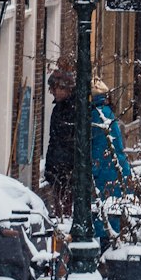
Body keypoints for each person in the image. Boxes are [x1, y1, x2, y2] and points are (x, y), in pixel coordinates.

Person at [91, 78, 131, 218]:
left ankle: (105, 237)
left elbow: (97, 148)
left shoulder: (95, 115)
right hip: (116, 167)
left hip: (104, 171)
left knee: (104, 212)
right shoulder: (107, 112)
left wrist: (92, 170)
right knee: (114, 209)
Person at [43, 66, 76, 216]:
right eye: (52, 89)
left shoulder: (73, 109)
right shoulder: (58, 109)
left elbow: (66, 140)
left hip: (67, 169)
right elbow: (53, 139)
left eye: (57, 89)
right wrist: (50, 166)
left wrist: (64, 166)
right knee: (60, 206)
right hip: (59, 168)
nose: (54, 92)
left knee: (65, 207)